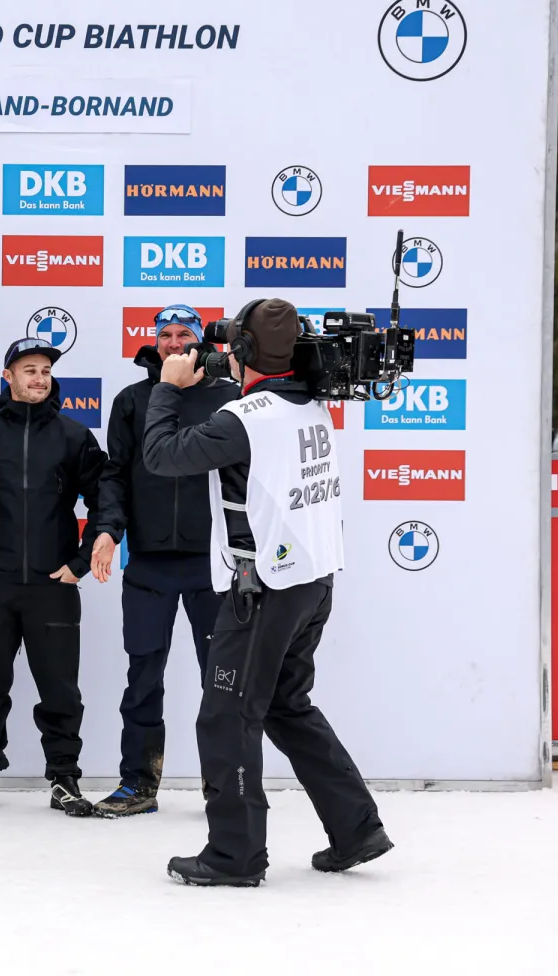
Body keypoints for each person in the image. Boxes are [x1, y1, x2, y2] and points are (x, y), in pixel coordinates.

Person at [142, 297, 392, 887]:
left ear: (246, 352)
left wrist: (167, 385)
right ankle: (357, 828)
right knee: (285, 705)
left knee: (226, 716)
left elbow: (161, 455)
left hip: (267, 588)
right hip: (311, 581)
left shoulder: (246, 418)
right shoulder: (307, 403)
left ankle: (235, 854)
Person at [0, 338, 116, 817]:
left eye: (44, 370)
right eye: (28, 370)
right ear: (8, 376)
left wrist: (80, 562)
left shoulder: (74, 436)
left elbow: (103, 501)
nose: (38, 378)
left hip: (53, 585)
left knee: (61, 689)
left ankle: (64, 777)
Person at [92, 304, 238, 817]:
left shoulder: (231, 397)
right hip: (150, 565)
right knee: (143, 678)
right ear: (153, 341)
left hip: (213, 567)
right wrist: (107, 530)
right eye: (165, 334)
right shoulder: (133, 400)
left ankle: (224, 788)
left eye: (184, 334)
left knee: (221, 681)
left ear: (203, 341)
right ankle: (138, 784)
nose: (174, 343)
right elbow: (114, 474)